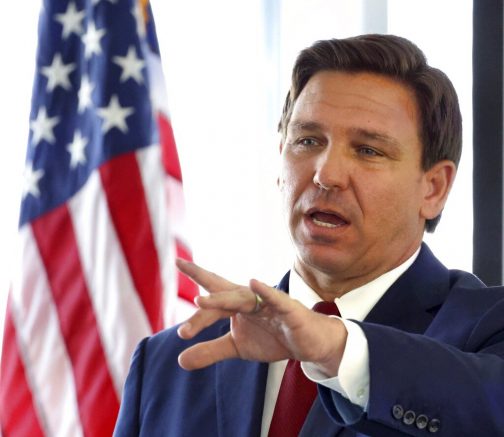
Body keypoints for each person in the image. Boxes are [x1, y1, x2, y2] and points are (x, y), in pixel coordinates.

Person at [114, 34, 504, 436]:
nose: (325, 174)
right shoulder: (170, 362)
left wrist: (338, 350)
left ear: (434, 188)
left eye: (368, 150)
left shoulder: (488, 330)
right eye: (308, 141)